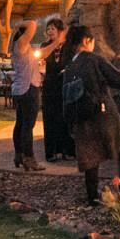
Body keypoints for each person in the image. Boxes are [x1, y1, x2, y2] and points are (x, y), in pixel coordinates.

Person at [61, 25, 120, 205]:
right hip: (102, 111)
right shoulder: (93, 59)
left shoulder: (70, 64)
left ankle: (92, 195)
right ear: (86, 40)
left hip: (80, 116)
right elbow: (117, 78)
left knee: (90, 155)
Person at [9, 20, 46, 171]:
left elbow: (43, 53)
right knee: (27, 126)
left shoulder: (22, 47)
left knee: (20, 124)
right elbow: (32, 24)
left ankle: (19, 155)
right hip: (28, 89)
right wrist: (18, 24)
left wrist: (57, 41)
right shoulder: (21, 44)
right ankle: (29, 158)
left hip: (20, 89)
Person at [40, 18, 75, 162]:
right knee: (50, 118)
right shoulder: (45, 45)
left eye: (52, 29)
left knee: (65, 117)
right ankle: (51, 152)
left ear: (60, 31)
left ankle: (66, 150)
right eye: (48, 29)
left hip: (64, 84)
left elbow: (72, 62)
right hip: (49, 85)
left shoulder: (68, 47)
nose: (49, 32)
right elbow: (42, 58)